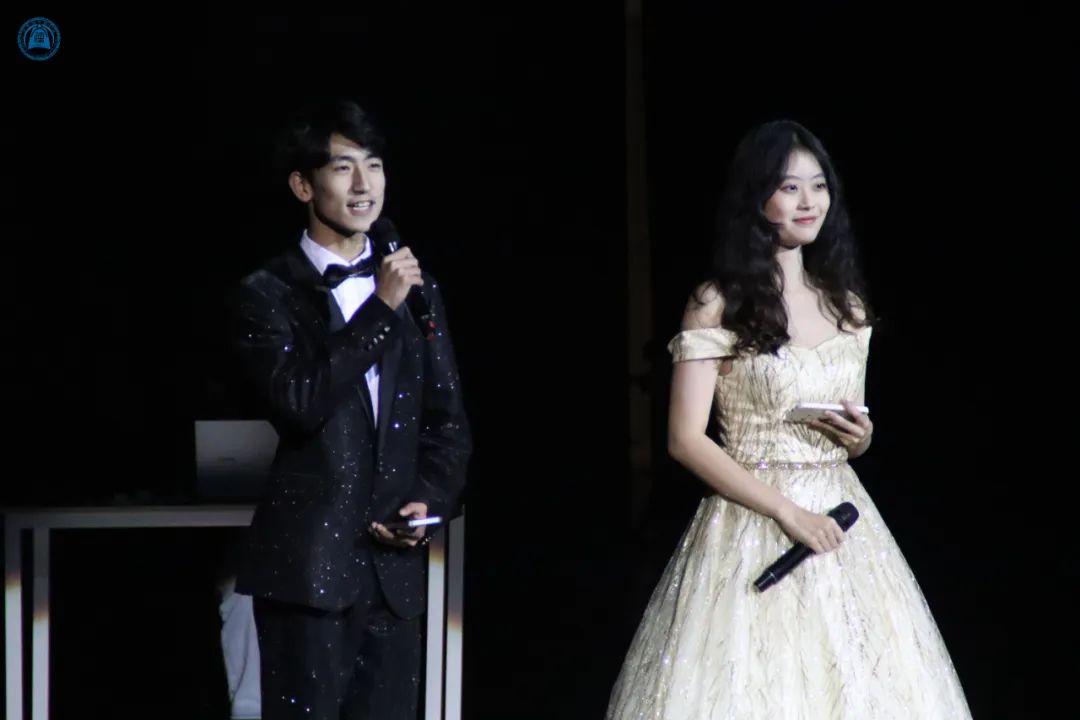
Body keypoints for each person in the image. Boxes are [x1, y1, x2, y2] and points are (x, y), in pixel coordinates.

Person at [606, 120, 971, 719]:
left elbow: (851, 429)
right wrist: (787, 512)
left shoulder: (846, 304)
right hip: (751, 519)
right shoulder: (717, 301)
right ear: (757, 198)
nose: (809, 202)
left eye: (818, 186)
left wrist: (861, 437)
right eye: (789, 187)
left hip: (841, 523)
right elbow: (684, 439)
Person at [228, 98, 471, 720]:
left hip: (393, 573)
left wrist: (428, 503)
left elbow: (446, 423)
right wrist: (378, 310)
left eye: (374, 165)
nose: (364, 185)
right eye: (343, 168)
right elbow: (300, 402)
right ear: (303, 186)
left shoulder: (416, 287)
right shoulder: (267, 294)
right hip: (308, 571)